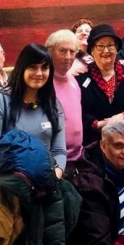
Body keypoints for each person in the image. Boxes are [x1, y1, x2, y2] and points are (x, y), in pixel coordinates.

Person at [0, 43, 67, 180]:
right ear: (22, 68)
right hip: (9, 188)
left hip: (47, 186)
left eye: (44, 68)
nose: (39, 73)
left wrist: (53, 179)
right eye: (33, 67)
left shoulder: (53, 104)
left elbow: (59, 151)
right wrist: (24, 184)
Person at [79, 24, 124, 145]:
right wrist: (97, 124)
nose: (106, 50)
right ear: (92, 50)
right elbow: (78, 111)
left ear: (117, 48)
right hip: (95, 143)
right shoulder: (82, 77)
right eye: (100, 46)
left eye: (110, 45)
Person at [45, 30, 83, 173]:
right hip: (55, 163)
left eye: (72, 52)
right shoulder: (43, 83)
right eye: (62, 51)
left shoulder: (73, 79)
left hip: (77, 159)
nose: (68, 57)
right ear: (50, 51)